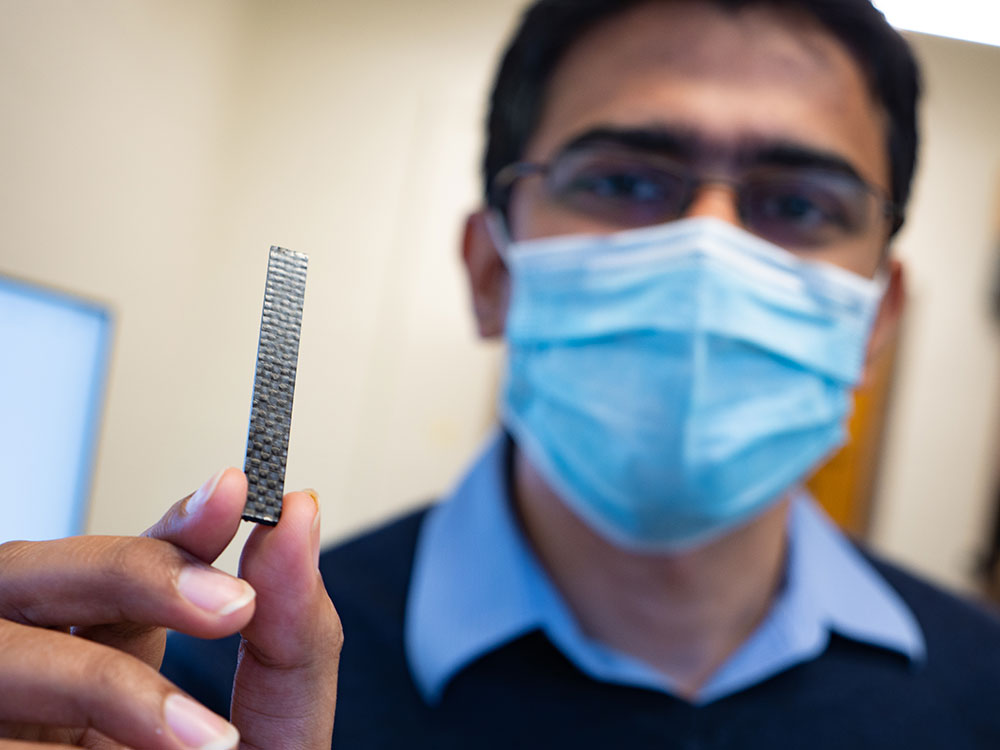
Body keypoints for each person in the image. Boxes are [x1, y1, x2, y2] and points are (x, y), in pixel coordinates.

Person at [3, 0, 1000, 748]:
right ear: (490, 271)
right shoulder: (210, 686)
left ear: (879, 318)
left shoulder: (984, 690)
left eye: (800, 203)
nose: (707, 247)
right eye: (621, 181)